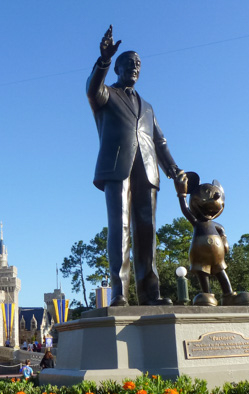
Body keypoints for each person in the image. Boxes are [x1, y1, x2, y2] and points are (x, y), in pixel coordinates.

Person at [87, 26, 183, 307]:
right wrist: (104, 59)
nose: (134, 67)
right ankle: (119, 293)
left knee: (147, 230)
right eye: (129, 63)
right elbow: (92, 88)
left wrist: (174, 169)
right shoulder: (106, 95)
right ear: (117, 68)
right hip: (117, 167)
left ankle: (150, 293)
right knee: (120, 228)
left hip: (148, 170)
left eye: (138, 63)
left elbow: (159, 141)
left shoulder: (148, 106)